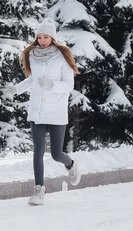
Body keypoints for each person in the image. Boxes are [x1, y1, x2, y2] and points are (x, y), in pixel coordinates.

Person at [8, 18, 82, 206]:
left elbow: (68, 85)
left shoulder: (62, 57)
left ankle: (71, 164)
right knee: (38, 150)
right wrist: (15, 89)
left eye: (45, 37)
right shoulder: (33, 55)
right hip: (37, 111)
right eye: (39, 37)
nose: (42, 40)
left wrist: (51, 85)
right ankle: (39, 190)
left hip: (56, 111)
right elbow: (32, 80)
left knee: (56, 154)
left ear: (52, 38)